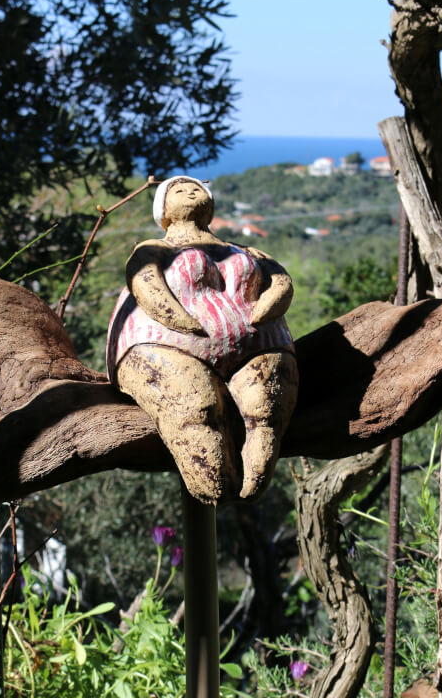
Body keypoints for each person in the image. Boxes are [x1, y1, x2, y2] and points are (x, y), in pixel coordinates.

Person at [106, 176, 298, 503]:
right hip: (166, 344)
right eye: (178, 190)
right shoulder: (153, 248)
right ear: (164, 211)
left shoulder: (246, 250)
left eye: (196, 188)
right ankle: (213, 482)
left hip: (259, 345)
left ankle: (254, 472)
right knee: (196, 408)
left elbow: (281, 281)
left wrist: (271, 301)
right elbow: (146, 283)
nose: (190, 191)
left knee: (265, 409)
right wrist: (179, 319)